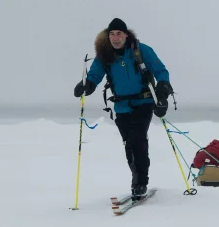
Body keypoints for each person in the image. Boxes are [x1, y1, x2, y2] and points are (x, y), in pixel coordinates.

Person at [73, 18, 173, 200]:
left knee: (137, 140)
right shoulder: (105, 55)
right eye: (112, 34)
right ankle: (137, 178)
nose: (115, 38)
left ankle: (140, 183)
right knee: (129, 144)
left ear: (126, 35)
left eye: (119, 33)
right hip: (121, 107)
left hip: (143, 103)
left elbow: (161, 70)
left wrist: (163, 89)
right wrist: (86, 85)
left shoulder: (141, 50)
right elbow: (95, 75)